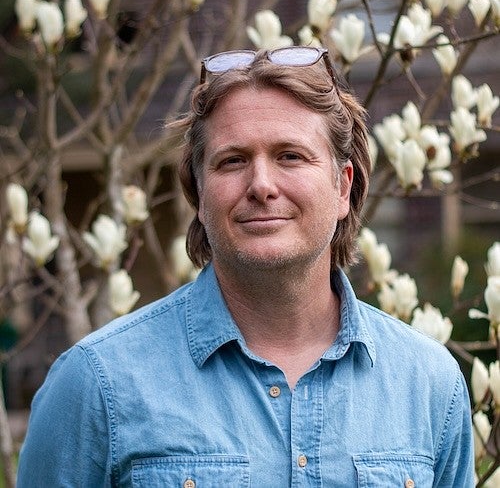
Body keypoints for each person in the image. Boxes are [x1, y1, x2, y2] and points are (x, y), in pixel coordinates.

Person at [17, 46, 474, 487]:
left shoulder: (429, 383)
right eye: (232, 161)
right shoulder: (97, 384)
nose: (261, 185)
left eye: (290, 156)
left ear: (342, 187)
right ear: (199, 193)